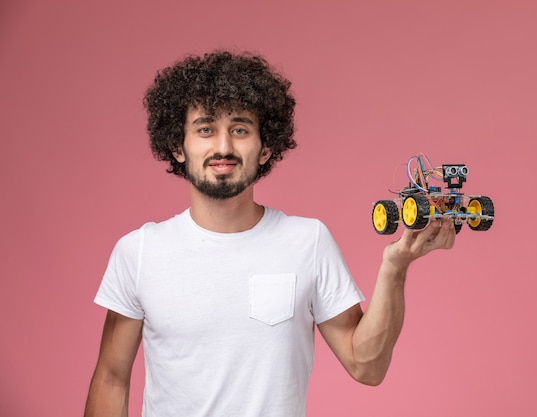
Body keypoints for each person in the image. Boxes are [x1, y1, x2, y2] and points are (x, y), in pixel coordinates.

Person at [84, 50, 456, 417]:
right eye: (205, 129)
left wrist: (395, 266)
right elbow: (112, 380)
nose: (224, 147)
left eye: (240, 129)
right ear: (177, 147)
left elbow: (367, 366)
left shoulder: (308, 242)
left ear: (266, 149)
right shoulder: (140, 251)